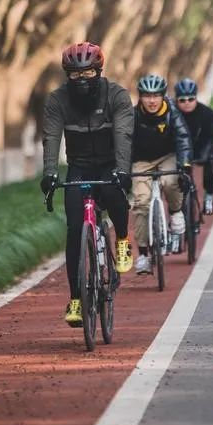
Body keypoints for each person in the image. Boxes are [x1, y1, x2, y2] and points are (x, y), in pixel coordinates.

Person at [41, 41, 134, 327]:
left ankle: (121, 239)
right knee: (73, 231)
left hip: (109, 164)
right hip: (79, 167)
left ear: (99, 71)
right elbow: (51, 137)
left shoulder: (116, 95)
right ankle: (77, 299)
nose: (81, 80)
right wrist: (50, 172)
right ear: (67, 75)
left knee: (114, 195)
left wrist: (121, 169)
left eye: (88, 73)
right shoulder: (57, 101)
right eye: (75, 74)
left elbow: (123, 133)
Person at [131, 73, 193, 273]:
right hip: (141, 161)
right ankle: (143, 255)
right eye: (147, 96)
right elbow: (123, 142)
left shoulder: (172, 112)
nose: (151, 100)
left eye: (156, 95)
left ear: (163, 96)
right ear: (140, 97)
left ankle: (175, 213)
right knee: (141, 202)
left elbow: (183, 137)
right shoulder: (133, 115)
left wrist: (184, 164)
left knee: (170, 180)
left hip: (167, 156)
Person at [174, 78, 213, 215]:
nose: (187, 103)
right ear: (176, 100)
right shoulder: (171, 114)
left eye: (191, 99)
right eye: (182, 100)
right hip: (179, 151)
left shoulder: (207, 114)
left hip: (201, 149)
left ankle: (209, 195)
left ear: (196, 98)